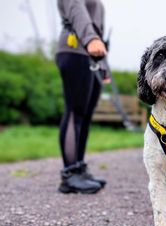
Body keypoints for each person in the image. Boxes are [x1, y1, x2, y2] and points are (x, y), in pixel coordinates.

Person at [56, 0, 108, 194]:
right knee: (75, 111)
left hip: (90, 55)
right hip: (74, 49)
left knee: (85, 115)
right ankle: (69, 175)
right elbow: (76, 9)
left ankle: (79, 167)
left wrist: (103, 64)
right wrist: (90, 38)